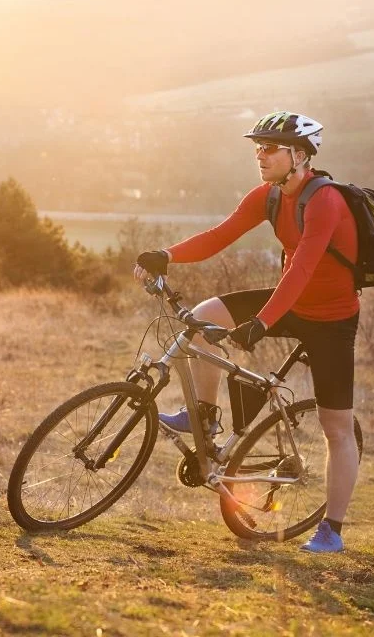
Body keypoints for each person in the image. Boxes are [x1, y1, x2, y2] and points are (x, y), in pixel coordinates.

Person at [133, 111, 359, 553]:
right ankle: (206, 417)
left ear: (299, 155)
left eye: (269, 147)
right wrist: (166, 255)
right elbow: (220, 236)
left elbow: (304, 267)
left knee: (337, 427)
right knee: (204, 316)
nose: (260, 154)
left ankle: (331, 529)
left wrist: (263, 321)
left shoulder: (326, 201)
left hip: (331, 318)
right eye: (257, 147)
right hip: (290, 303)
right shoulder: (269, 196)